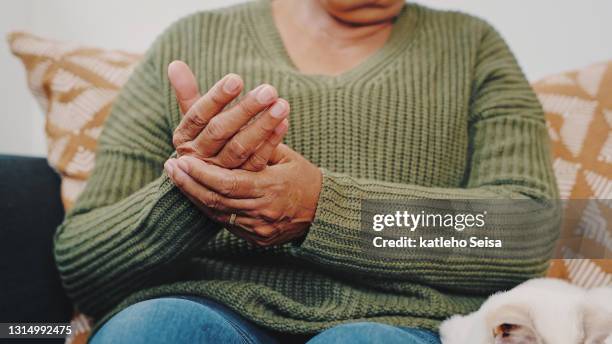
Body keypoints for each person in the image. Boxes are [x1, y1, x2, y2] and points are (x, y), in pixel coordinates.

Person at [54, 0, 559, 343]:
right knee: (153, 331)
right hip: (203, 305)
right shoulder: (191, 39)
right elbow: (83, 265)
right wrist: (199, 191)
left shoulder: (473, 46)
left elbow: (526, 228)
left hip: (397, 321)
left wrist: (323, 208)